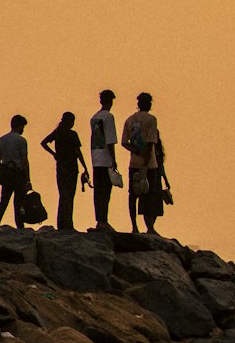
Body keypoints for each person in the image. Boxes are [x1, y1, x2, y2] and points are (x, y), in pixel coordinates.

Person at [40, 111, 90, 231]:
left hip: (61, 168)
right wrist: (85, 167)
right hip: (71, 168)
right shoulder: (72, 134)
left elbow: (43, 143)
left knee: (63, 195)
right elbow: (78, 152)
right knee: (69, 196)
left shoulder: (58, 132)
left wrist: (54, 154)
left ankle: (61, 224)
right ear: (69, 121)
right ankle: (68, 225)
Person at [121, 91, 161, 235]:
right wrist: (145, 160)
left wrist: (136, 151)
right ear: (148, 104)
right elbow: (150, 143)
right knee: (149, 195)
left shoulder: (130, 120)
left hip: (134, 163)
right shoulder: (151, 119)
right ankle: (149, 227)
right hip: (149, 164)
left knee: (133, 195)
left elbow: (124, 142)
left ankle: (134, 226)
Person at [0, 115, 30, 229]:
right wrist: (28, 179)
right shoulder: (21, 140)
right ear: (19, 126)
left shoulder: (1, 139)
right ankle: (20, 226)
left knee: (3, 201)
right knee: (18, 202)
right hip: (18, 174)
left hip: (7, 173)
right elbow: (24, 160)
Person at [89, 89, 119, 231]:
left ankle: (99, 219)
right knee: (106, 191)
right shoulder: (108, 117)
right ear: (109, 101)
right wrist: (114, 159)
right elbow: (110, 140)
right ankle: (103, 220)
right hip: (105, 159)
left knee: (98, 191)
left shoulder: (94, 117)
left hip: (96, 158)